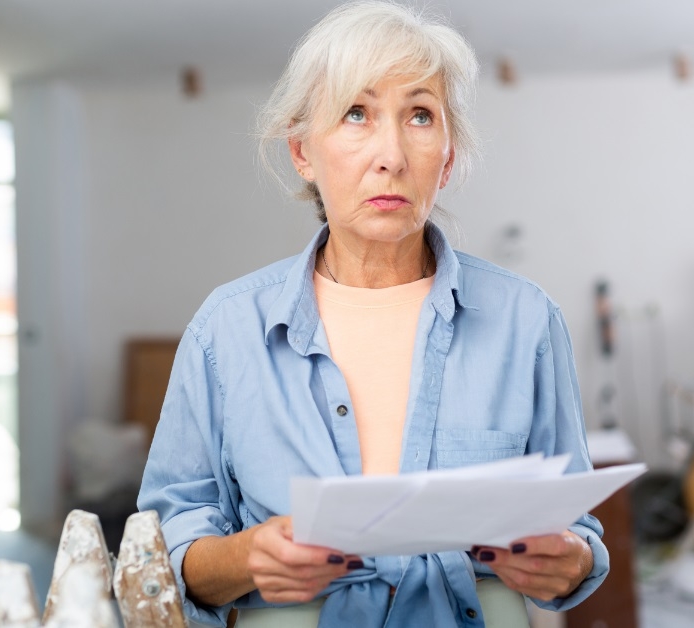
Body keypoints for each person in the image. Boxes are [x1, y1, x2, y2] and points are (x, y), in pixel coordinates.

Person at [137, 2, 608, 626]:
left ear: (447, 154)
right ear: (303, 151)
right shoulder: (225, 329)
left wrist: (569, 559)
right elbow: (161, 553)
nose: (390, 154)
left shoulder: (527, 321)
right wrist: (247, 557)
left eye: (419, 115)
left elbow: (575, 533)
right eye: (356, 113)